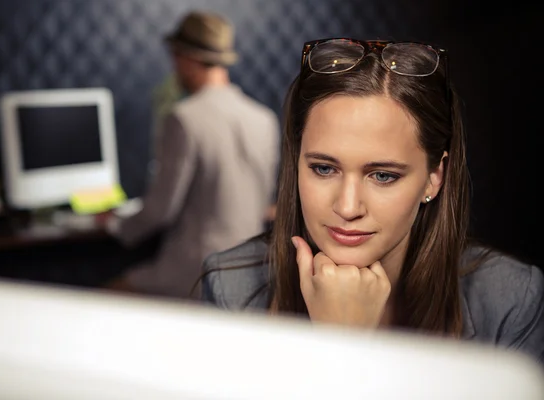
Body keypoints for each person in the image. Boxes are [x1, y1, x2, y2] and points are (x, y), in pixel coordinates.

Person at [200, 38, 544, 363]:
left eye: (383, 176)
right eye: (323, 168)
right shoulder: (232, 287)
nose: (348, 208)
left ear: (434, 177)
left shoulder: (510, 300)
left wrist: (349, 351)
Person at [104, 11, 280, 298]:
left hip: (196, 271)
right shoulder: (265, 119)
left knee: (102, 297)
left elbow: (161, 211)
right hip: (253, 271)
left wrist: (115, 225)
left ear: (186, 58)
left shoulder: (184, 118)